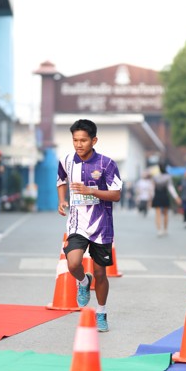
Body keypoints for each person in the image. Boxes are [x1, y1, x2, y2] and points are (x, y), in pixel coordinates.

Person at [57, 118, 122, 332]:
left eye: (83, 140)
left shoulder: (107, 164)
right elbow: (61, 180)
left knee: (101, 273)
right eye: (75, 140)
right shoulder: (66, 160)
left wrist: (91, 191)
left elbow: (116, 195)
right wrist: (62, 200)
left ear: (94, 140)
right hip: (77, 224)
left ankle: (101, 312)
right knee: (73, 263)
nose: (78, 144)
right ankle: (84, 282)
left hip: (102, 226)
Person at [151, 163, 181, 236]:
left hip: (157, 196)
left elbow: (152, 188)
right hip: (164, 196)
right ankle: (165, 229)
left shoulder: (155, 177)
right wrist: (176, 197)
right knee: (165, 213)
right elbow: (171, 188)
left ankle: (159, 230)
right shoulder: (168, 177)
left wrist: (151, 198)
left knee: (158, 214)